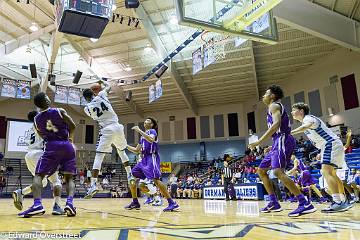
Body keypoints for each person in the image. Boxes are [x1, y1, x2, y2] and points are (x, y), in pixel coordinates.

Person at [249, 85, 316, 217]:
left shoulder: (274, 105)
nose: (263, 96)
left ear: (272, 96)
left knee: (278, 171)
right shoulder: (272, 107)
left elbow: (276, 125)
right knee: (261, 170)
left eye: (266, 93)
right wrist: (272, 145)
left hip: (283, 139)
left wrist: (259, 141)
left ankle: (305, 203)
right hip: (277, 141)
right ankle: (274, 202)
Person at [18, 92, 77, 217]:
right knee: (69, 178)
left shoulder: (36, 119)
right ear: (46, 100)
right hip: (66, 145)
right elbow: (73, 125)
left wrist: (49, 137)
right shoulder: (60, 111)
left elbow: (41, 135)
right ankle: (70, 203)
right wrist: (70, 139)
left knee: (39, 176)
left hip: (51, 146)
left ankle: (37, 204)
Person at [291, 102, 352, 212]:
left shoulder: (308, 118)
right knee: (332, 173)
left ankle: (337, 202)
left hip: (330, 143)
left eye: (294, 110)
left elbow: (307, 125)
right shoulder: (308, 119)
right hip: (330, 145)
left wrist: (290, 133)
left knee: (326, 172)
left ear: (301, 111)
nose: (292, 112)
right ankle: (343, 200)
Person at [82, 81, 134, 199]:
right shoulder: (101, 95)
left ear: (86, 98)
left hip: (106, 129)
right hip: (118, 126)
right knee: (121, 151)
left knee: (99, 156)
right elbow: (109, 86)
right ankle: (129, 174)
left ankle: (94, 184)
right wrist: (102, 81)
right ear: (94, 93)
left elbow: (95, 113)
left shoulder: (87, 108)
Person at [12, 111, 64, 215]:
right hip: (41, 154)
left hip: (29, 156)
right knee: (56, 181)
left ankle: (21, 193)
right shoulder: (44, 124)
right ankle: (56, 206)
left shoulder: (30, 129)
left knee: (42, 183)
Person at [125, 117, 179, 211]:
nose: (145, 122)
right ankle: (135, 202)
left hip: (151, 157)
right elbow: (136, 150)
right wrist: (124, 145)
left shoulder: (152, 131)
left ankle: (172, 203)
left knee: (156, 180)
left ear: (152, 124)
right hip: (143, 160)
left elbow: (150, 139)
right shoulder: (142, 137)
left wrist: (139, 130)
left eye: (148, 121)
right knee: (132, 177)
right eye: (145, 121)